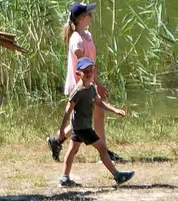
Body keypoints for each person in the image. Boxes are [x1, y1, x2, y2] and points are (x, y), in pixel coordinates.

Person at [48, 1, 117, 163]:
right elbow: (84, 68)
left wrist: (96, 82)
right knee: (88, 117)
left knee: (93, 116)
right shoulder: (77, 41)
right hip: (79, 86)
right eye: (88, 14)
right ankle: (103, 152)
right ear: (80, 19)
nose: (91, 16)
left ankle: (57, 140)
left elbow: (92, 64)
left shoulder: (88, 35)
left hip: (89, 83)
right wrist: (94, 85)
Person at [56, 56, 131, 187]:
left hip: (82, 126)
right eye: (86, 71)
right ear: (78, 73)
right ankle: (118, 176)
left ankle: (65, 178)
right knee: (102, 148)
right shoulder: (77, 91)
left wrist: (115, 110)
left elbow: (99, 103)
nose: (89, 73)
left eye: (91, 70)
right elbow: (68, 110)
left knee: (73, 150)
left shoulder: (91, 88)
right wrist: (62, 129)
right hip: (82, 127)